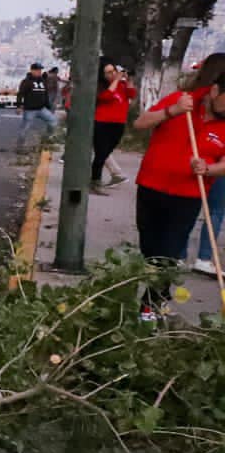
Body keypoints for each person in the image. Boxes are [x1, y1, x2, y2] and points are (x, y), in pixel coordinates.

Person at [131, 67, 225, 319]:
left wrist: (209, 168)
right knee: (150, 250)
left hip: (188, 195)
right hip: (151, 185)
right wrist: (171, 111)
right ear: (215, 91)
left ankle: (148, 308)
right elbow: (140, 123)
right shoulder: (181, 100)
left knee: (168, 253)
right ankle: (161, 297)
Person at [90, 60, 137, 192]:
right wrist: (116, 80)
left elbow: (132, 94)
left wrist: (129, 80)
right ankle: (95, 181)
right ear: (103, 75)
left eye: (114, 71)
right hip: (102, 123)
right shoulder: (102, 87)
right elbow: (106, 97)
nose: (112, 74)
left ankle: (109, 177)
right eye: (108, 73)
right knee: (100, 154)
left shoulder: (122, 85)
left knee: (106, 153)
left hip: (118, 124)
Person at [15, 62, 56, 150]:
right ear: (32, 70)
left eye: (40, 70)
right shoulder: (26, 82)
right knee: (25, 128)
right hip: (30, 110)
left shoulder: (43, 81)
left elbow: (45, 94)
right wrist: (18, 106)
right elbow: (20, 94)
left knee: (53, 121)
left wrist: (48, 106)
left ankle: (46, 139)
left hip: (41, 109)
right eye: (37, 70)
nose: (39, 72)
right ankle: (20, 146)